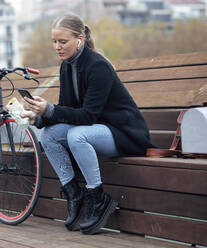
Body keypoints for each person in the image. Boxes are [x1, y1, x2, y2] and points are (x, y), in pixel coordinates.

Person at [21, 14, 153, 235]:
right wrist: (40, 117)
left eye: (63, 42)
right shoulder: (66, 67)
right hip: (95, 130)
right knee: (49, 135)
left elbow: (88, 116)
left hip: (122, 132)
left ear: (79, 39)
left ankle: (98, 197)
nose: (57, 47)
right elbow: (67, 111)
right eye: (54, 41)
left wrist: (50, 109)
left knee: (76, 136)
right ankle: (75, 194)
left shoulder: (98, 66)